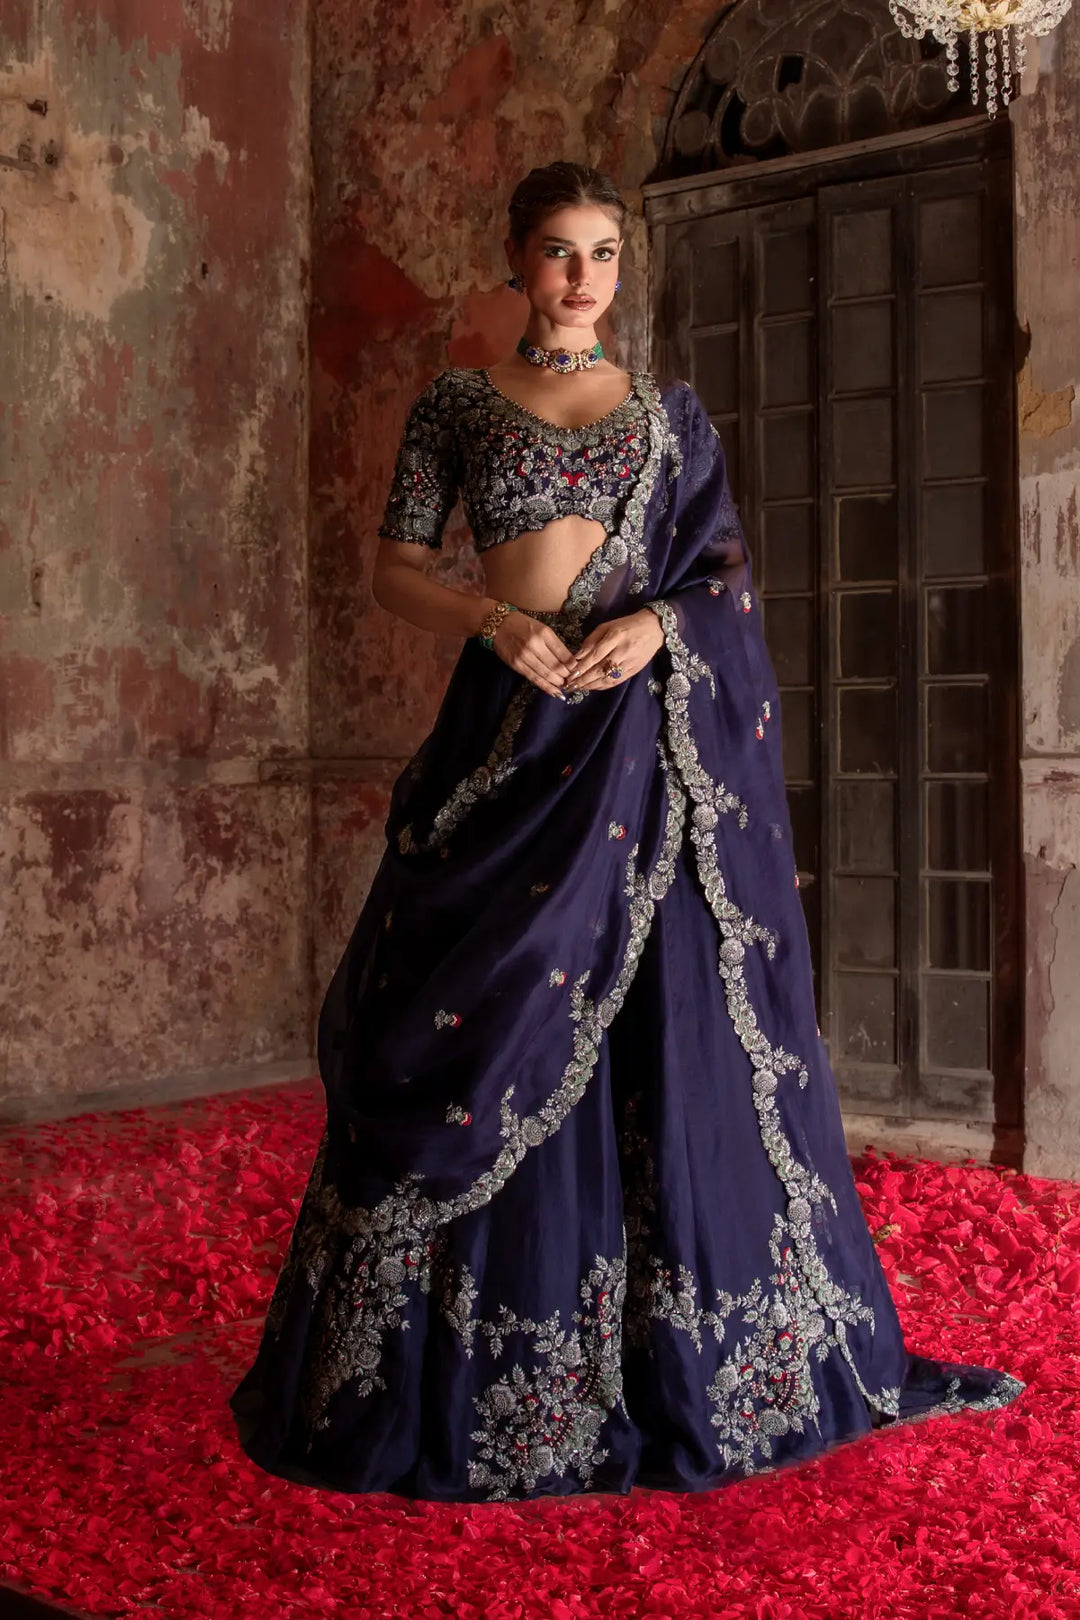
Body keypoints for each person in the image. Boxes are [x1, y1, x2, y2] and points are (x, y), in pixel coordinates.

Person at [228, 160, 1025, 1503]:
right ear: (515, 264)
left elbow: (721, 576)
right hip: (508, 740)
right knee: (468, 1014)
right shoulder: (459, 407)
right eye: (556, 251)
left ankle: (677, 1360)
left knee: (661, 1023)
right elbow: (395, 567)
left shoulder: (670, 418)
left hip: (639, 753)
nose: (582, 276)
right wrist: (495, 623)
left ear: (621, 269)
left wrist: (660, 626)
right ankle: (443, 1372)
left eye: (603, 252)